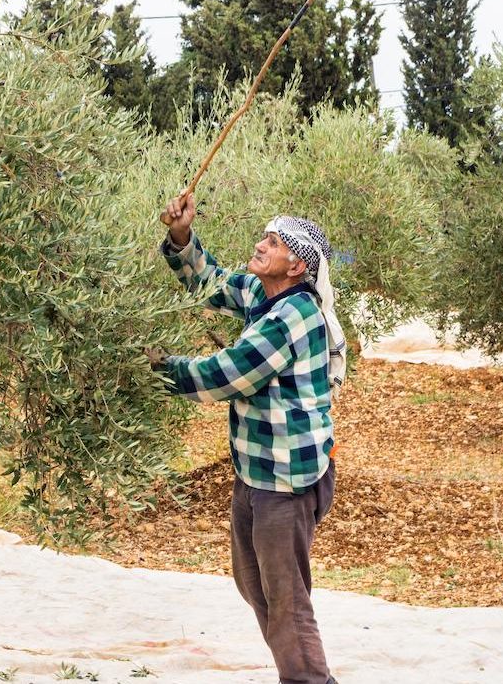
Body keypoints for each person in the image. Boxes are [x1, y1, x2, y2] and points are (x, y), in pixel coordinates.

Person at [148, 191, 344, 684]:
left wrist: (153, 369)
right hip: (256, 473)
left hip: (286, 481)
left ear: (296, 264)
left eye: (272, 242)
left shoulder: (293, 316)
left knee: (285, 600)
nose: (259, 245)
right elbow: (213, 284)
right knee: (255, 585)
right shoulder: (266, 294)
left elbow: (226, 374)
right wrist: (181, 236)